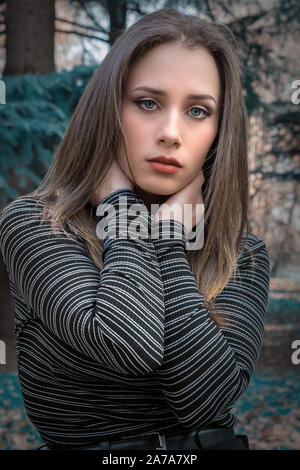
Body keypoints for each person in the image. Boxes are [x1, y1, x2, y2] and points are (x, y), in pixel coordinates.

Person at [0, 8, 270, 451]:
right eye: (148, 103)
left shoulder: (242, 255)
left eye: (198, 111)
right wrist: (124, 212)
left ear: (219, 133)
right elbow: (126, 342)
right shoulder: (38, 225)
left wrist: (166, 240)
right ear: (107, 109)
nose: (171, 133)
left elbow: (207, 401)